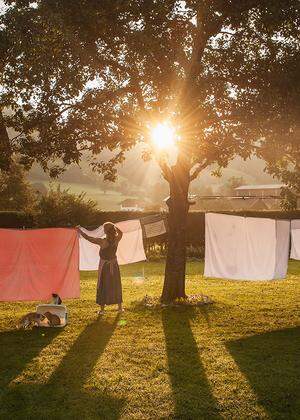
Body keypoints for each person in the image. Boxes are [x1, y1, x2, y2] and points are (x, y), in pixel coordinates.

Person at [78, 222, 123, 315]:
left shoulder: (102, 241)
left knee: (103, 285)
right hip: (114, 266)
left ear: (106, 232)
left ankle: (102, 310)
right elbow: (121, 233)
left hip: (105, 268)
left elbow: (88, 238)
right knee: (116, 284)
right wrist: (113, 225)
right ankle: (119, 308)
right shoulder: (116, 239)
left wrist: (80, 231)